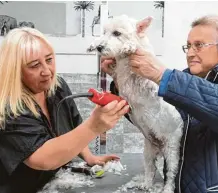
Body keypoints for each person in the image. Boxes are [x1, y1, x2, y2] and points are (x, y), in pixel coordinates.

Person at [101, 15, 218, 192]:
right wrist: (120, 80)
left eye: (199, 45)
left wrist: (162, 75)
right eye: (188, 46)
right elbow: (151, 120)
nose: (190, 52)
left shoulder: (179, 81)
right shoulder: (183, 80)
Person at [0, 27, 130, 193]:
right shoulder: (8, 106)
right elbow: (42, 158)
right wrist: (93, 127)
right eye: (34, 65)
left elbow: (72, 127)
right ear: (14, 70)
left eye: (49, 60)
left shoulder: (57, 87)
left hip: (47, 184)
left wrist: (89, 157)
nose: (47, 72)